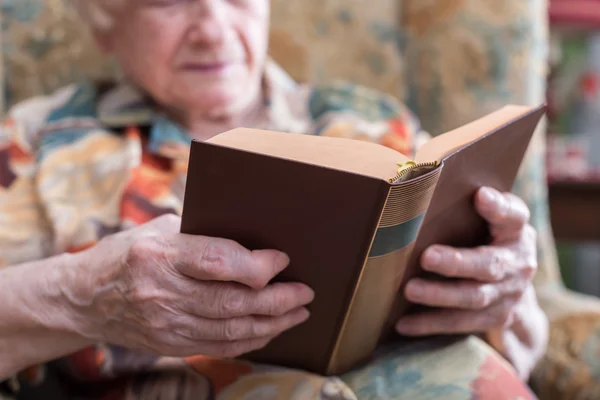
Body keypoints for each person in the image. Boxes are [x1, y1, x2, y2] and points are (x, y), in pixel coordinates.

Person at [0, 0, 549, 398]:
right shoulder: (38, 141)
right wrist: (81, 294)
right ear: (107, 23)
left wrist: (502, 293)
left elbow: (520, 340)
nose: (212, 30)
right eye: (169, 2)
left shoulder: (373, 123)